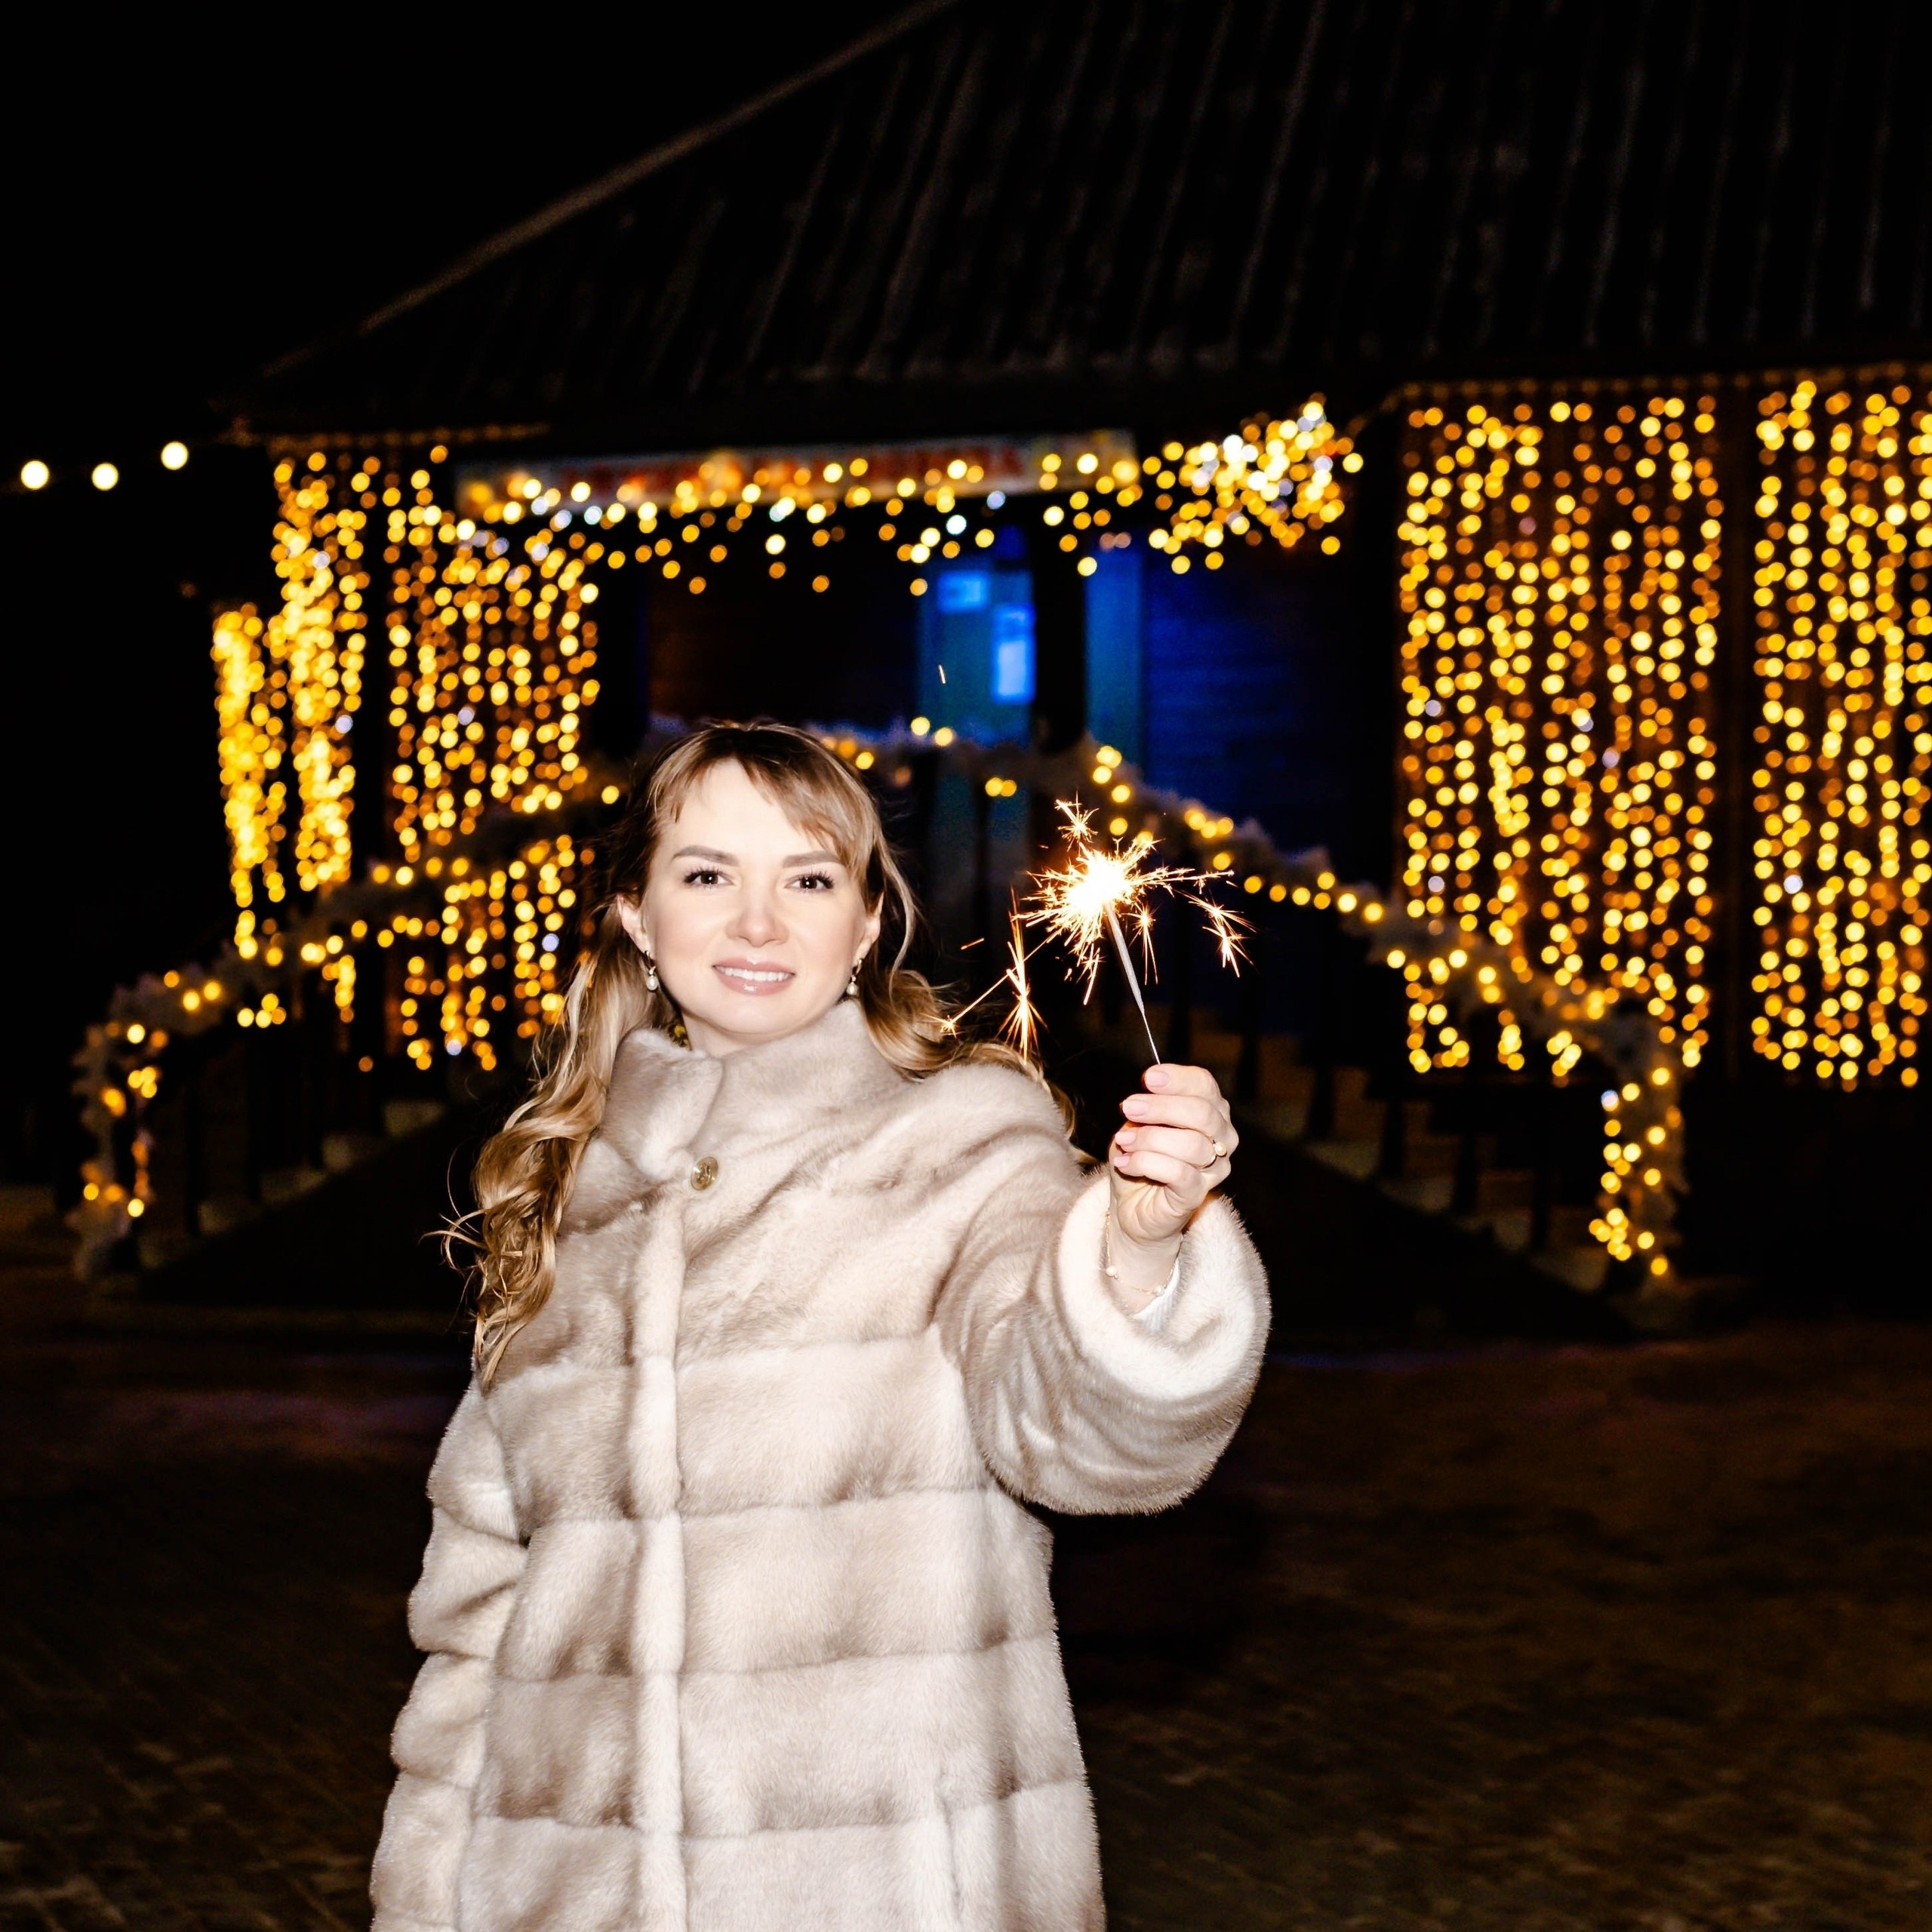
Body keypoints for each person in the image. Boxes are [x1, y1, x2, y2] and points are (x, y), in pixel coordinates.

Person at [370, 721, 1269, 1932]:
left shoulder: (963, 1149)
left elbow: (1088, 1443)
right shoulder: (571, 1197)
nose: (758, 924)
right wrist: (427, 1897)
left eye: (807, 881)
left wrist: (1143, 1246)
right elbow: (477, 1613)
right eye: (707, 875)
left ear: (864, 925)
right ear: (636, 914)